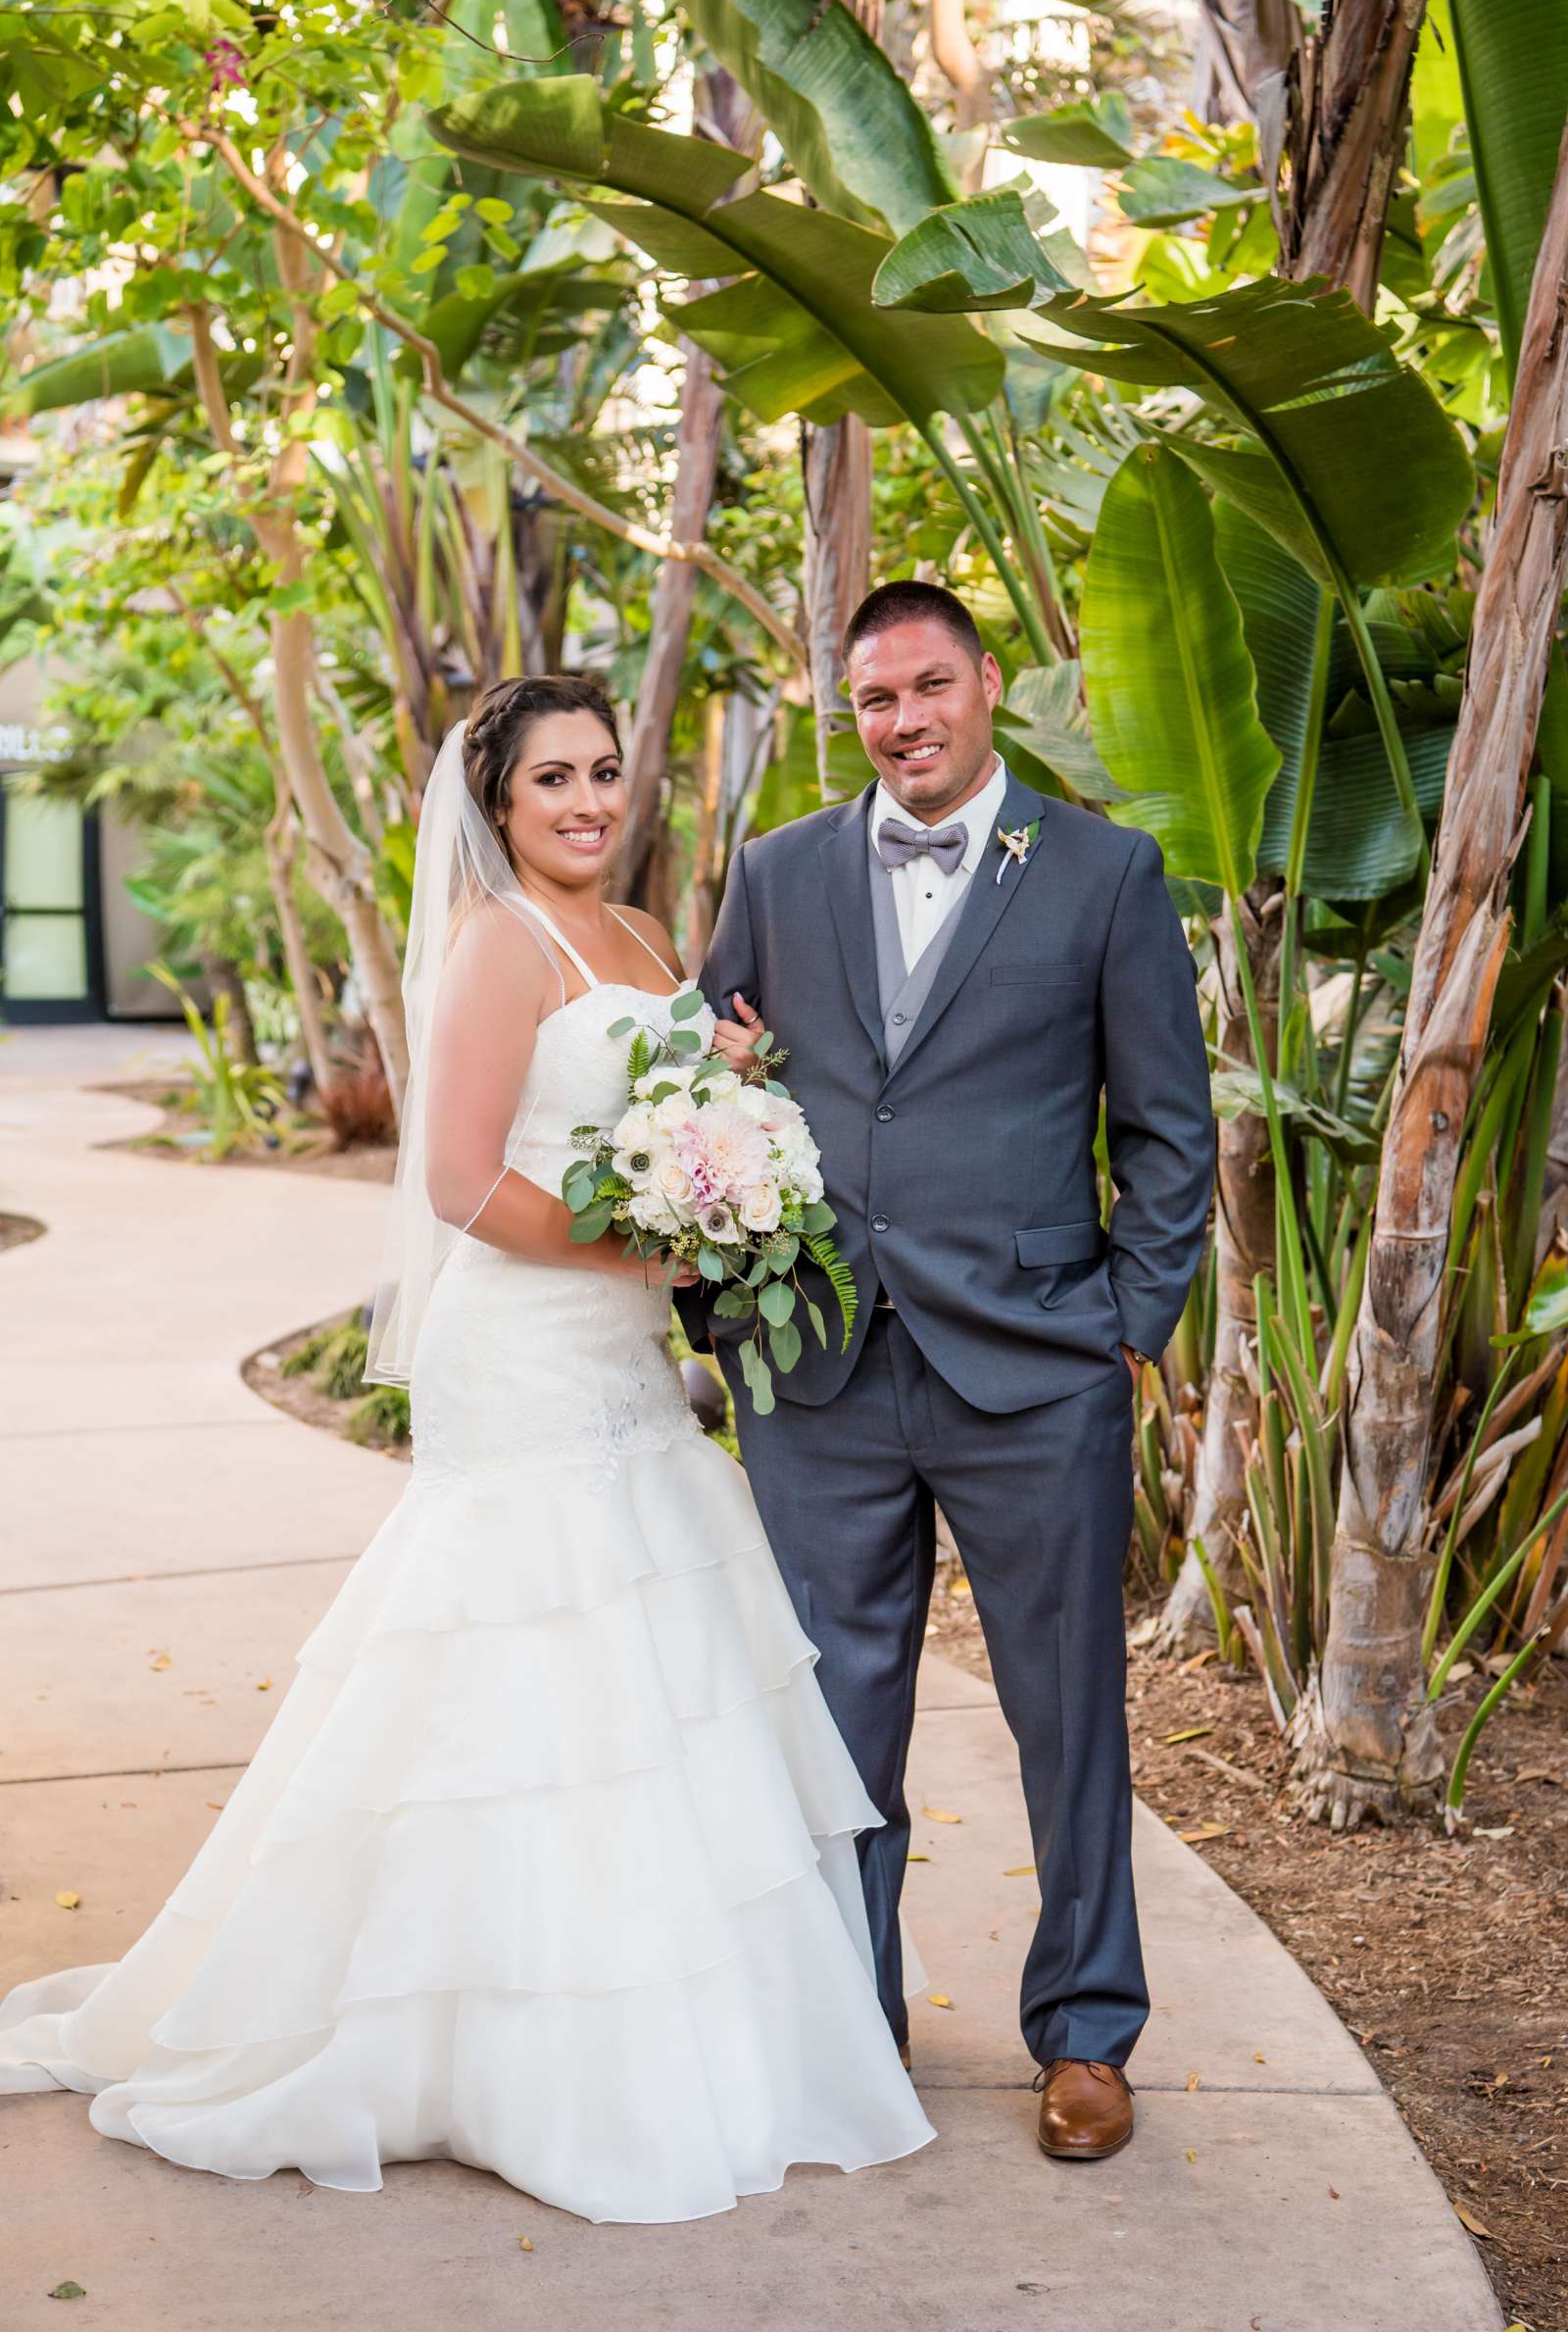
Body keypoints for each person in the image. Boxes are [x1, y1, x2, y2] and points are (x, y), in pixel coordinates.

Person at [0, 674, 933, 2222]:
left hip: (626, 1369)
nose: (587, 800)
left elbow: (681, 1101)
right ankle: (489, 2042)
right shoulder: (503, 947)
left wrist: (737, 1124)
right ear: (498, 807)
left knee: (652, 1673)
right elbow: (456, 1185)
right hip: (527, 1354)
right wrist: (657, 1249)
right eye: (553, 779)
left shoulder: (641, 934)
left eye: (605, 771)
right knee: (527, 1668)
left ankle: (686, 2023)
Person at [685, 582, 1214, 2163]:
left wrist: (1128, 1321)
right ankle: (856, 2021)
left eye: (928, 688)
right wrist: (732, 1307)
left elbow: (1168, 1131)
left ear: (988, 687)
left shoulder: (1106, 872)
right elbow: (711, 1089)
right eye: (873, 700)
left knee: (1070, 1714)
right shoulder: (779, 873)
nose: (903, 722)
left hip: (1038, 1364)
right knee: (838, 1714)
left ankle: (1088, 2032)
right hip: (822, 1373)